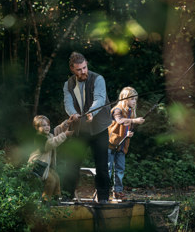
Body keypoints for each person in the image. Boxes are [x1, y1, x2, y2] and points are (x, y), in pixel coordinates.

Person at [58, 51, 112, 203]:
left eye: (84, 68)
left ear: (86, 65)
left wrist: (91, 113)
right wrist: (73, 114)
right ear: (72, 69)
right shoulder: (67, 84)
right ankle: (67, 197)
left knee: (102, 166)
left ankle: (103, 199)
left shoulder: (98, 79)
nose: (83, 71)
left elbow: (100, 99)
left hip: (99, 129)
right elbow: (68, 104)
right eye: (79, 69)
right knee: (72, 164)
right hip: (80, 130)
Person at [108, 87, 145, 200]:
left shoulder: (131, 112)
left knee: (120, 170)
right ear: (125, 99)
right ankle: (101, 191)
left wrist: (129, 133)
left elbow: (128, 126)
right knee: (107, 170)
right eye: (132, 99)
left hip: (122, 146)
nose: (134, 101)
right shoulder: (117, 110)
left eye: (135, 99)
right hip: (110, 144)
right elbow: (119, 121)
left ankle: (117, 192)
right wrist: (134, 121)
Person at [28, 115, 74, 203]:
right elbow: (50, 144)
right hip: (37, 165)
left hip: (45, 166)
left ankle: (55, 199)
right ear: (37, 128)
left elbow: (57, 130)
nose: (47, 127)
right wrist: (65, 135)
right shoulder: (39, 138)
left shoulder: (49, 135)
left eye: (48, 125)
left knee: (56, 178)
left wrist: (66, 123)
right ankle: (46, 202)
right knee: (51, 181)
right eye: (43, 125)